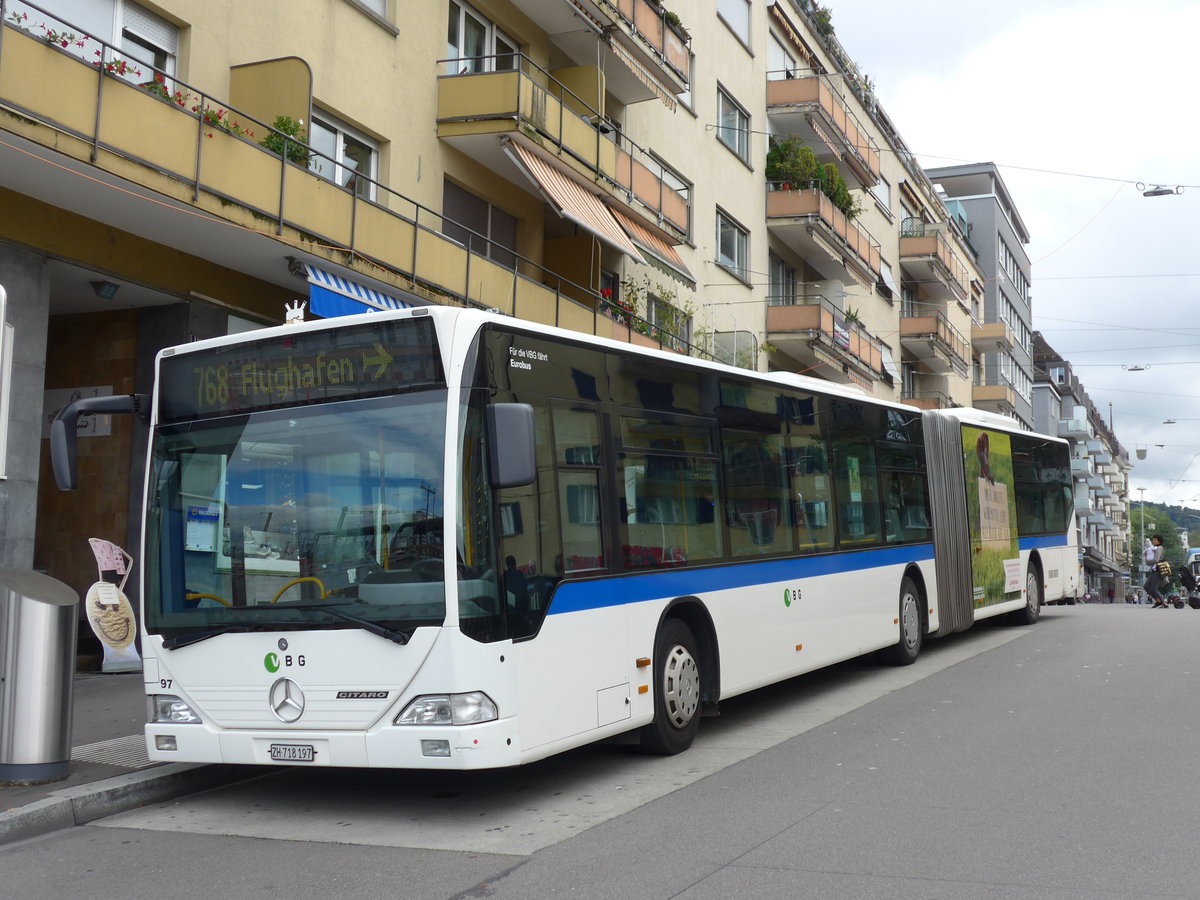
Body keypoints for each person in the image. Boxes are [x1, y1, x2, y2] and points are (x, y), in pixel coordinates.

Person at [1144, 535, 1168, 608]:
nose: (1153, 541)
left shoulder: (1159, 548)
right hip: (1154, 570)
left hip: (1159, 570)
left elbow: (1156, 560)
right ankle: (1158, 601)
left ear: (1159, 541)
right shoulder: (1153, 548)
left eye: (1155, 540)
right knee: (1146, 586)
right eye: (1152, 540)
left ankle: (1163, 602)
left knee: (1153, 589)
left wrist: (1148, 562)